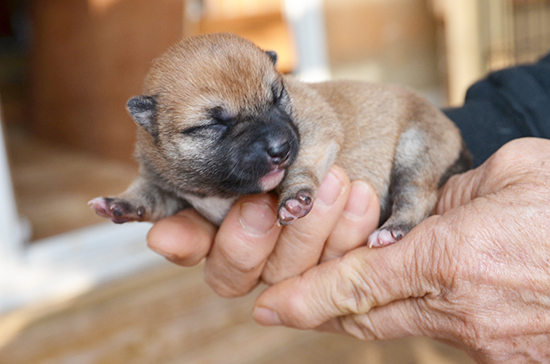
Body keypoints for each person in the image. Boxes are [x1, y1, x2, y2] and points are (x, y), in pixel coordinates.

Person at [146, 55, 550, 363]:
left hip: (424, 142)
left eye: (275, 100)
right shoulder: (164, 154)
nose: (272, 140)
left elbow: (329, 133)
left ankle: (405, 220)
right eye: (212, 126)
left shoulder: (306, 115)